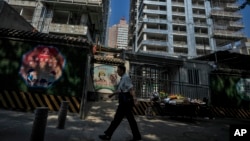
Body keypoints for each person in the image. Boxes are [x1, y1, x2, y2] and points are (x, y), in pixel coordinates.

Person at [99, 65, 141, 141]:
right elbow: (121, 90)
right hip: (124, 103)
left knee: (118, 120)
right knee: (127, 120)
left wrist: (135, 99)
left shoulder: (126, 78)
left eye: (118, 70)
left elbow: (131, 89)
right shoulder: (122, 78)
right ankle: (137, 136)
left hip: (125, 103)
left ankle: (108, 135)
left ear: (122, 70)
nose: (117, 72)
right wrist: (112, 94)